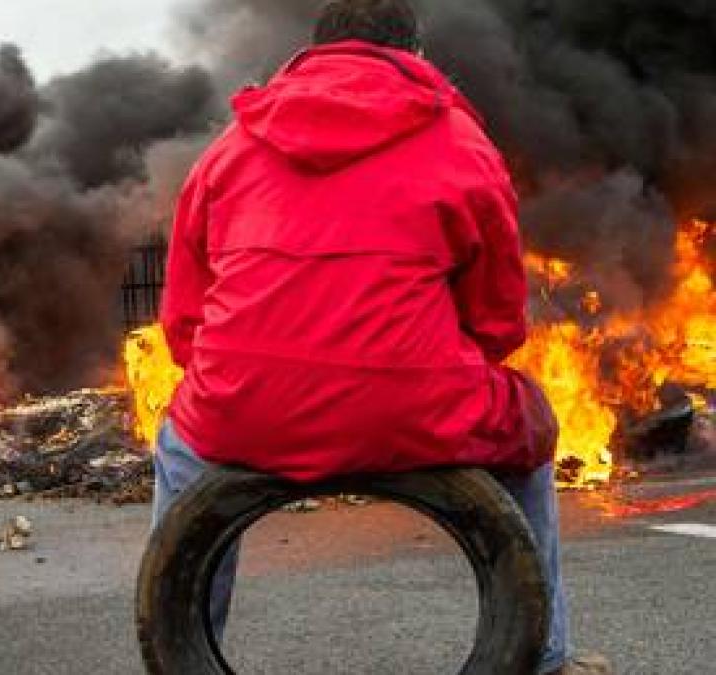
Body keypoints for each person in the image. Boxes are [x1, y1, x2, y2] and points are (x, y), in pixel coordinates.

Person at [152, 1, 611, 673]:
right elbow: (498, 321)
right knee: (531, 429)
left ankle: (180, 647)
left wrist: (249, 386)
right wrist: (421, 374)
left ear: (309, 56)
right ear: (414, 56)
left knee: (178, 449)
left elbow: (184, 323)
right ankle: (544, 660)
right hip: (413, 403)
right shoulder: (460, 140)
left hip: (243, 405)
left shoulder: (230, 146)